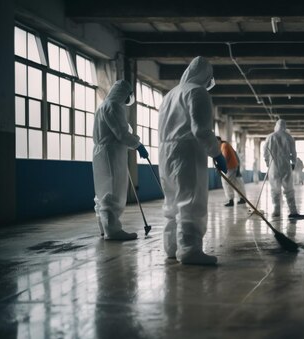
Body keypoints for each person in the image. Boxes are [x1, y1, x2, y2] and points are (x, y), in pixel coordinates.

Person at [158, 56, 227, 265]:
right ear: (205, 75)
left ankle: (172, 247)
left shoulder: (170, 95)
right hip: (186, 151)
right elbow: (200, 130)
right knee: (190, 200)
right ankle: (190, 249)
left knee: (172, 202)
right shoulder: (197, 92)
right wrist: (216, 153)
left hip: (165, 151)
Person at [93, 79, 148, 241]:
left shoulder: (102, 106)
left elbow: (120, 131)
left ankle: (104, 228)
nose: (128, 98)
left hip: (100, 152)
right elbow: (122, 134)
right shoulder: (114, 106)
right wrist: (138, 145)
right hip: (112, 153)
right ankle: (113, 231)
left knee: (102, 191)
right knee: (114, 189)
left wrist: (133, 141)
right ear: (123, 93)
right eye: (128, 95)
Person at [263, 119, 304, 219]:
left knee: (275, 189)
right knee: (289, 189)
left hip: (273, 165)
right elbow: (294, 153)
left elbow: (265, 152)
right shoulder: (288, 137)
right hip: (286, 165)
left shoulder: (270, 137)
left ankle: (276, 211)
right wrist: (293, 163)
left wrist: (267, 162)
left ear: (276, 125)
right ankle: (293, 211)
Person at [217, 136, 247, 207]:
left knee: (226, 183)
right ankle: (242, 198)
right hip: (234, 166)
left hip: (230, 167)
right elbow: (234, 154)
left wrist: (220, 166)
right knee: (237, 183)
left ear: (219, 141)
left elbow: (225, 157)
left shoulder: (224, 146)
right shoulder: (226, 144)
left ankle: (230, 200)